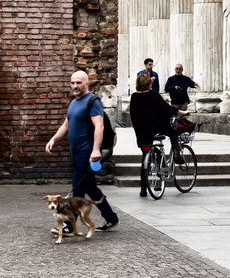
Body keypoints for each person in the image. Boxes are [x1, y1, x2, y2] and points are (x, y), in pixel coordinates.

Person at [45, 70, 119, 234]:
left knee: (77, 188)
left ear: (87, 84)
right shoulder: (73, 102)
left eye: (78, 83)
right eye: (72, 83)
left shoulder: (92, 101)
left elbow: (99, 126)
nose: (75, 86)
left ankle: (70, 226)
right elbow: (66, 125)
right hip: (76, 152)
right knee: (91, 189)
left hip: (87, 153)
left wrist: (95, 150)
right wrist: (53, 140)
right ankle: (111, 218)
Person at [130, 72, 188, 197]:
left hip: (141, 132)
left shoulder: (134, 97)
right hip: (156, 127)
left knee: (145, 157)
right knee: (173, 133)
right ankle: (177, 152)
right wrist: (180, 112)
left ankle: (143, 189)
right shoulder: (153, 95)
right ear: (147, 83)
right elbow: (165, 109)